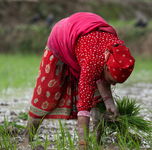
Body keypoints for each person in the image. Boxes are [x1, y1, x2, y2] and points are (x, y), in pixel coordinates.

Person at [25, 12, 135, 149]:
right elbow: (83, 108)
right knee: (45, 94)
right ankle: (26, 141)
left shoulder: (115, 49)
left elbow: (101, 77)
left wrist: (109, 101)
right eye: (112, 80)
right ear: (106, 66)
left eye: (116, 83)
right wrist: (83, 144)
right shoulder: (91, 63)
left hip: (84, 36)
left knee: (98, 100)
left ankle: (97, 142)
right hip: (61, 37)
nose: (112, 84)